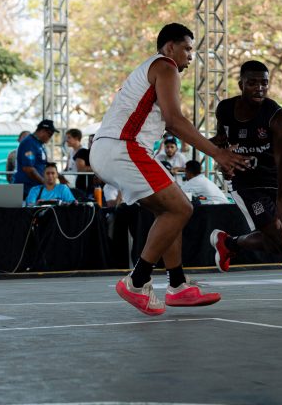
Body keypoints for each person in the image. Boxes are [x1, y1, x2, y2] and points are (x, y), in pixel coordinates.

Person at [90, 22, 249, 316]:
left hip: (111, 149)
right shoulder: (166, 66)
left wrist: (212, 143)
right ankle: (137, 281)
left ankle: (177, 284)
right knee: (181, 209)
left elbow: (170, 123)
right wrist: (217, 154)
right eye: (187, 49)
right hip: (124, 147)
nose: (190, 56)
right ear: (170, 47)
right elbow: (174, 120)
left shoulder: (149, 70)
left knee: (171, 211)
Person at [209, 60, 282, 311]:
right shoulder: (225, 109)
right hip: (244, 182)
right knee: (281, 239)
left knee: (273, 240)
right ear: (241, 84)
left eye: (264, 83)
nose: (259, 88)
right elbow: (221, 138)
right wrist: (219, 150)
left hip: (273, 180)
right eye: (252, 83)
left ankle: (229, 243)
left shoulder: (276, 115)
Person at [14, 120, 66, 198]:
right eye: (50, 134)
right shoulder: (29, 143)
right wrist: (45, 183)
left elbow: (43, 164)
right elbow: (28, 168)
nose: (51, 137)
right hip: (27, 189)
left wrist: (58, 175)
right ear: (42, 131)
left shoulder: (39, 143)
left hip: (35, 188)